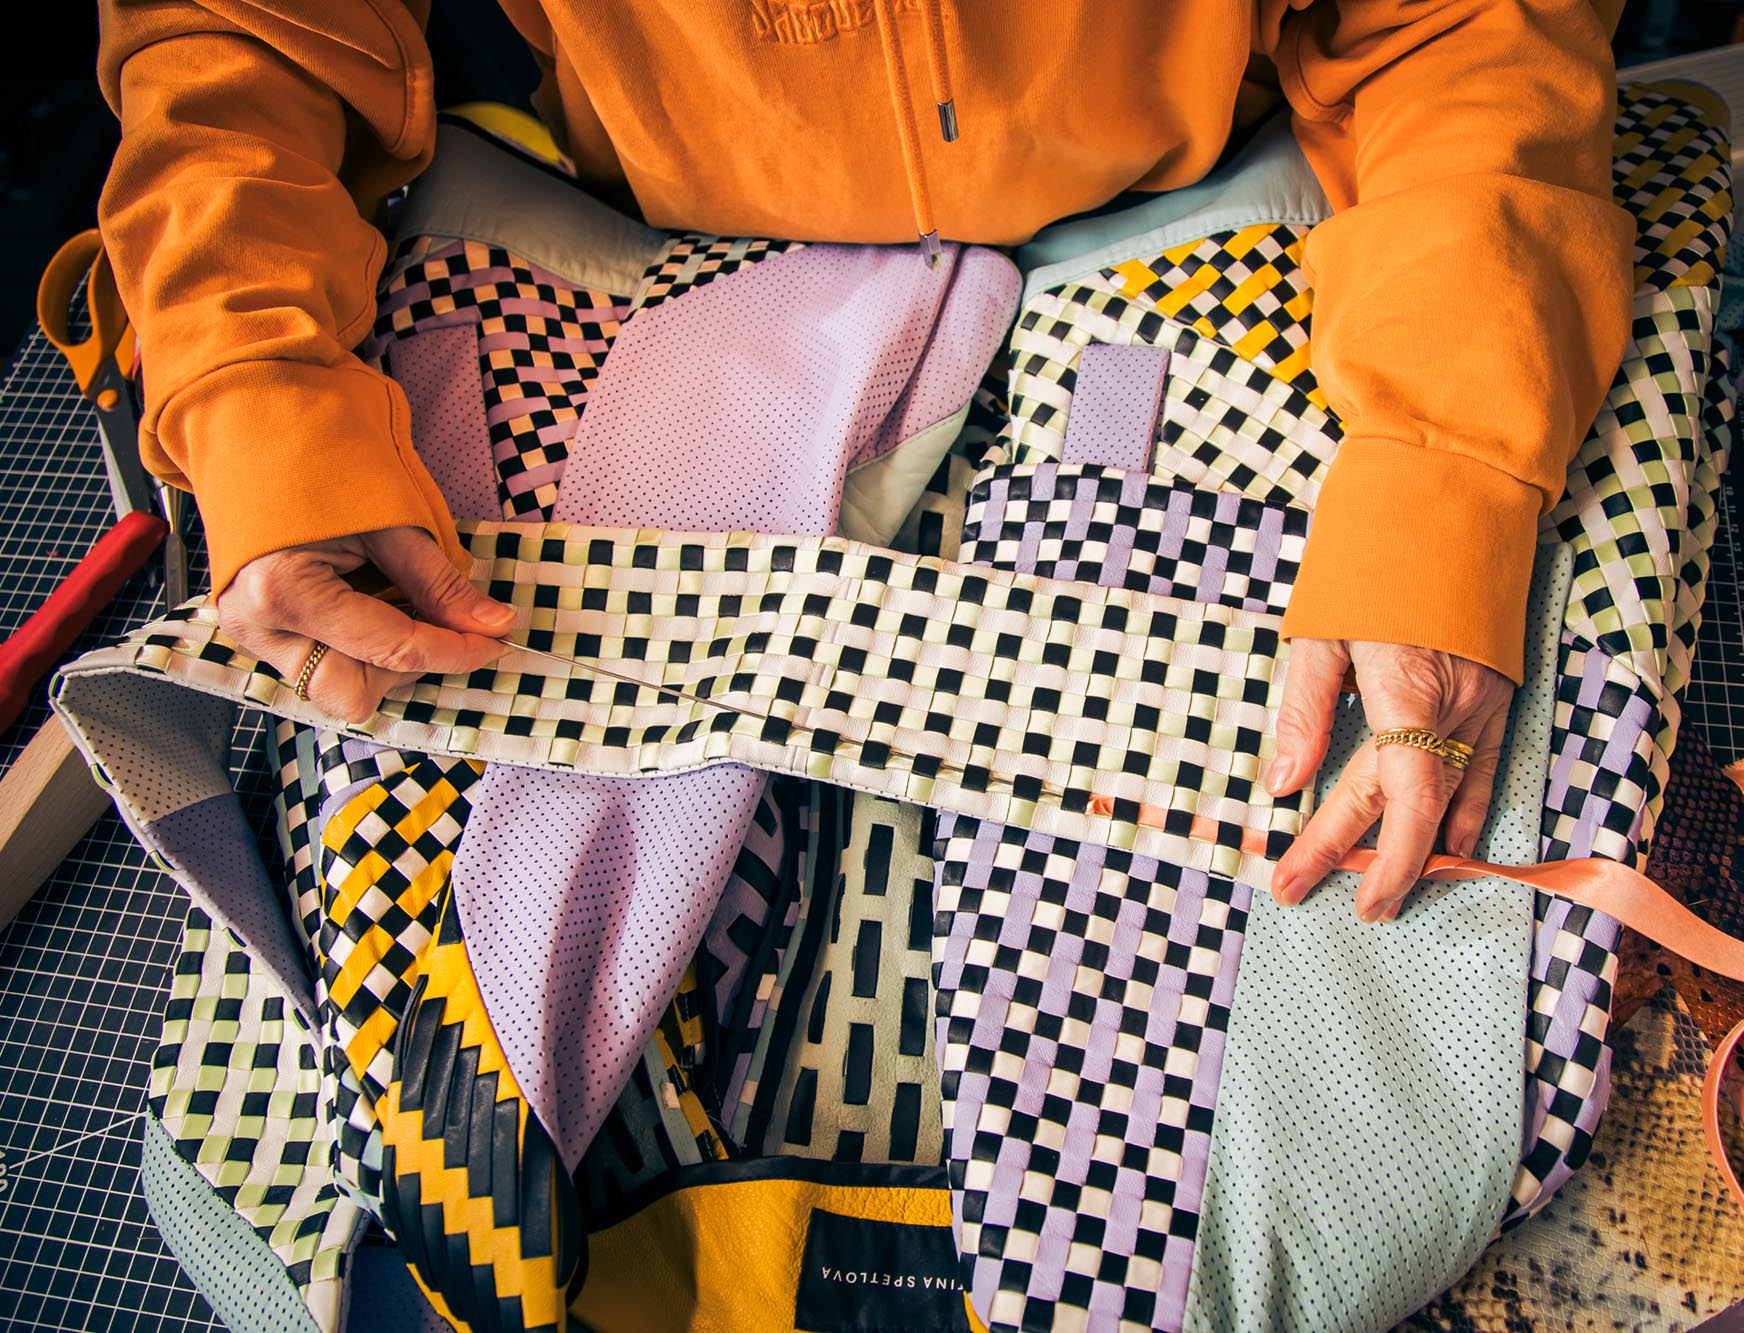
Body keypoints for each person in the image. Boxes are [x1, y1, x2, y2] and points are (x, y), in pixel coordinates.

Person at [94, 0, 1634, 924]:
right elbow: (237, 25)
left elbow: (1460, 22)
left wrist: (1441, 467)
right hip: (650, 268)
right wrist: (256, 388)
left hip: (1253, 242)